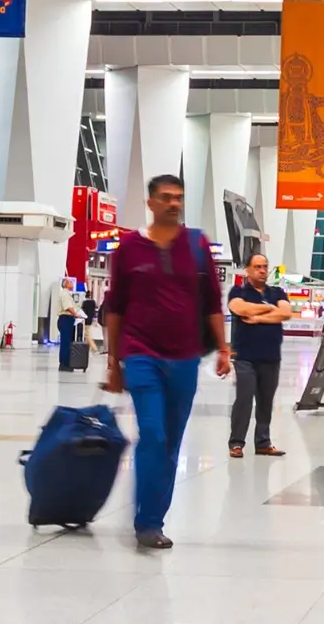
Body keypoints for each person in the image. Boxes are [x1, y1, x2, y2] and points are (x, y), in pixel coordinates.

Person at [102, 174, 231, 550]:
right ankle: (147, 523)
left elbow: (212, 302)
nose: (174, 204)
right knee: (153, 434)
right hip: (141, 353)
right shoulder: (128, 247)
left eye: (179, 198)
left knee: (171, 442)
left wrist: (223, 348)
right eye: (166, 197)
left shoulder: (196, 245)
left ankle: (153, 517)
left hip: (184, 358)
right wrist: (114, 361)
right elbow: (116, 307)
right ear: (151, 203)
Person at [226, 253, 292, 459]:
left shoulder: (277, 292)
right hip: (245, 356)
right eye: (257, 267)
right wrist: (268, 308)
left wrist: (258, 317)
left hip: (271, 356)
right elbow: (239, 307)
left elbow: (286, 313)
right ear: (247, 269)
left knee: (266, 401)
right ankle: (236, 442)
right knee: (244, 398)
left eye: (264, 266)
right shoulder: (239, 291)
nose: (262, 270)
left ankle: (263, 442)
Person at [55, 280, 79, 371]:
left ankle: (66, 362)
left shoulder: (67, 294)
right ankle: (64, 364)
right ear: (66, 285)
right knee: (65, 342)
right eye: (70, 282)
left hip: (67, 319)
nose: (72, 284)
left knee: (68, 341)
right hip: (65, 319)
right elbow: (68, 307)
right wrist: (76, 314)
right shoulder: (65, 294)